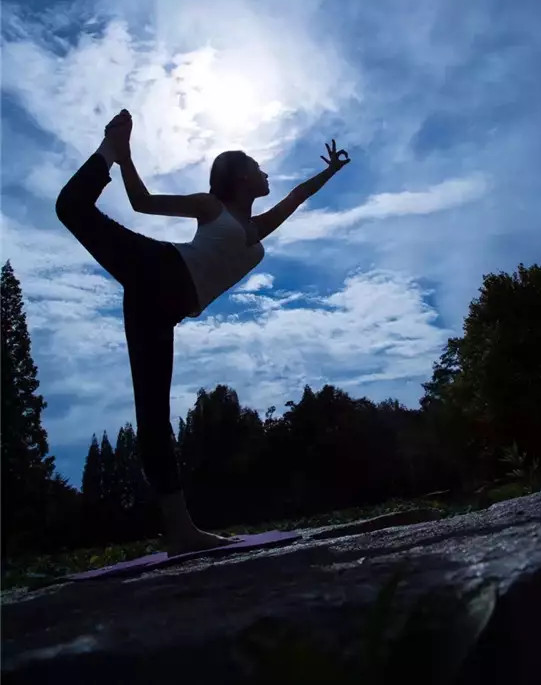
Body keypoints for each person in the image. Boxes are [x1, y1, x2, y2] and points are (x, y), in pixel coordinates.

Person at [55, 109, 350, 555]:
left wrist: (327, 173)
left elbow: (297, 196)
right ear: (238, 178)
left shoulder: (256, 229)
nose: (264, 170)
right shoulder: (211, 207)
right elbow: (141, 202)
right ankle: (108, 151)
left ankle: (179, 531)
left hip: (161, 307)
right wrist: (126, 157)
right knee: (71, 208)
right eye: (256, 165)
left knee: (152, 414)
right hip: (159, 271)